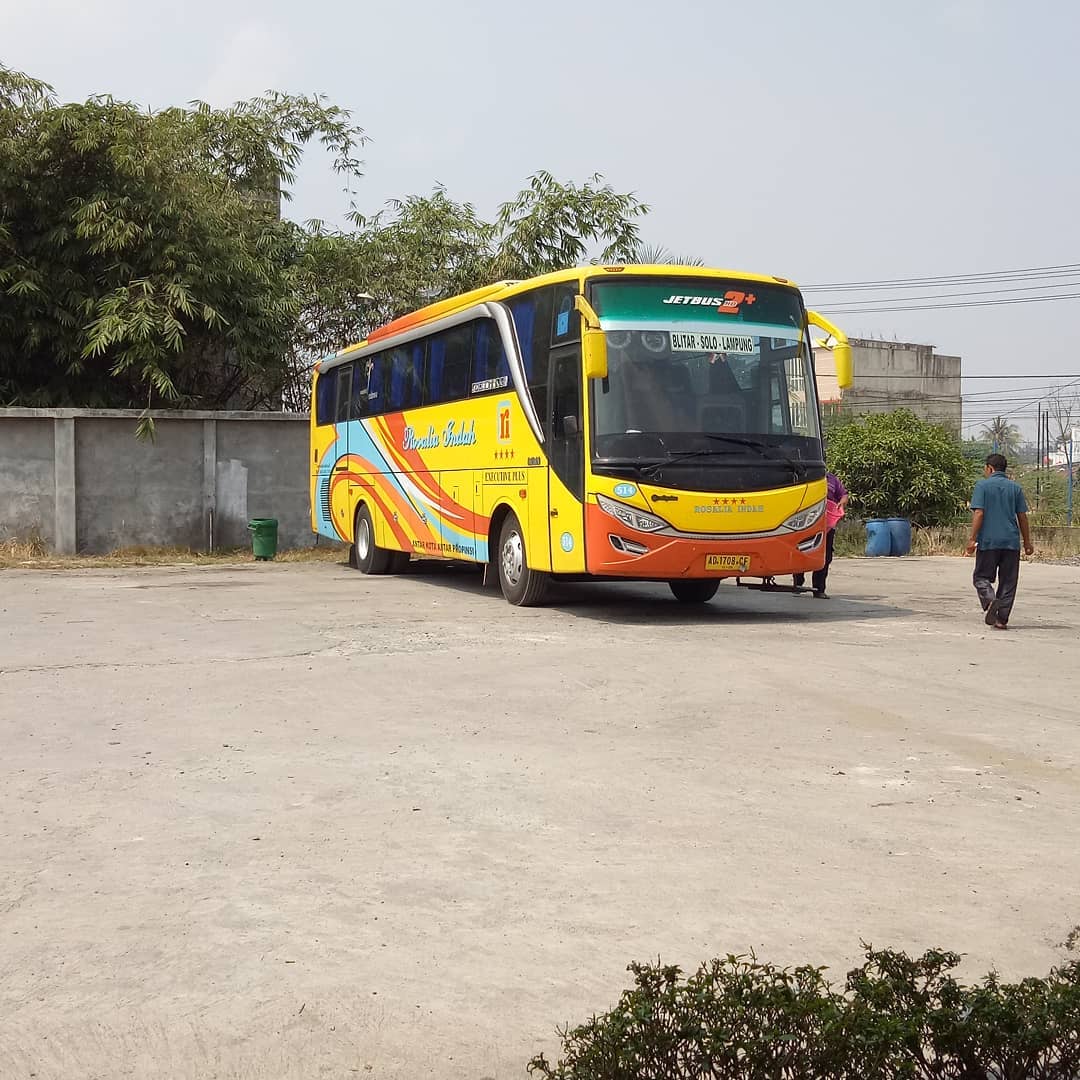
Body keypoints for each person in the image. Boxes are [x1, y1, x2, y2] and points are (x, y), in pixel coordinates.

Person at [966, 453, 1034, 630]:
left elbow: (979, 513)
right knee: (1008, 582)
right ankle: (1001, 620)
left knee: (981, 577)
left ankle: (990, 600)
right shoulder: (1015, 488)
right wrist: (1027, 542)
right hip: (1011, 542)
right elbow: (1022, 517)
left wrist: (972, 539)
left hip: (989, 541)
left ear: (989, 468)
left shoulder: (982, 486)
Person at [794, 471, 848, 598]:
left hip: (827, 523)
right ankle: (798, 583)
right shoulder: (804, 476)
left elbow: (844, 495)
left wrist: (842, 502)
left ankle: (819, 589)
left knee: (825, 556)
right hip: (807, 522)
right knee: (802, 551)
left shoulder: (832, 479)